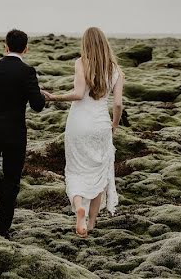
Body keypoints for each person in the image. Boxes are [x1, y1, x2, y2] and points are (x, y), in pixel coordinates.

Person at [41, 26, 124, 237]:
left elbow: (78, 94)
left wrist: (55, 98)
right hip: (100, 124)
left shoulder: (81, 63)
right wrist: (114, 124)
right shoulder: (116, 70)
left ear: (85, 43)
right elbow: (118, 105)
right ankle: (92, 222)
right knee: (100, 171)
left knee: (76, 169)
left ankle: (79, 206)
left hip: (78, 123)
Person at [0, 28, 45, 239]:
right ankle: (2, 228)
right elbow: (37, 105)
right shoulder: (27, 72)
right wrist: (40, 94)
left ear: (5, 46)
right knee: (12, 179)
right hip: (15, 131)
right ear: (26, 49)